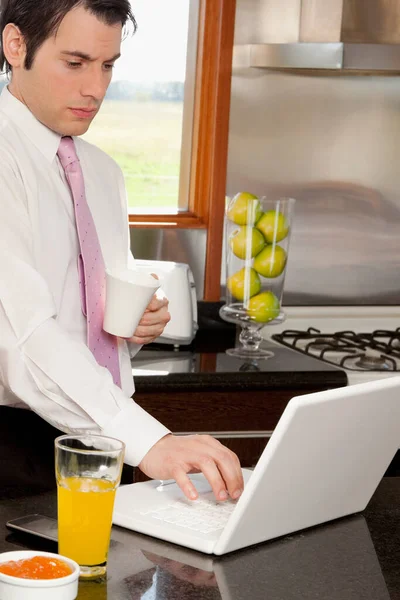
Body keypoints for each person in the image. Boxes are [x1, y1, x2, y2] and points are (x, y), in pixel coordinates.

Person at [0, 0, 243, 502]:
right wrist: (151, 441)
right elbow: (22, 336)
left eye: (107, 65)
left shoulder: (102, 172)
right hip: (12, 446)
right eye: (75, 62)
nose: (96, 88)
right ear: (16, 45)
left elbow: (86, 319)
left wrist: (132, 330)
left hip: (101, 431)